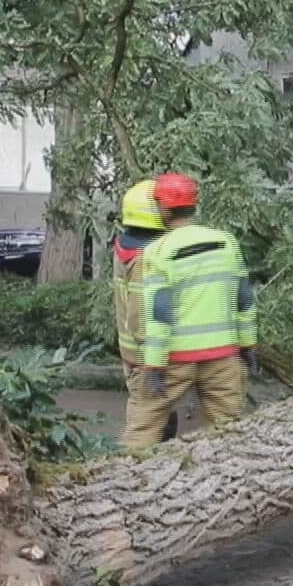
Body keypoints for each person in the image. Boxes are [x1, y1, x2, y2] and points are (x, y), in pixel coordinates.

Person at [125, 173, 258, 449]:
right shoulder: (227, 242)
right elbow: (244, 298)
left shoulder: (158, 251)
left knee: (143, 430)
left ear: (162, 208)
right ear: (194, 205)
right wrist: (248, 345)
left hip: (175, 359)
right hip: (224, 356)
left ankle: (133, 486)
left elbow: (160, 313)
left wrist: (155, 363)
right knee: (228, 435)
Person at [112, 179, 179, 445]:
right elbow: (141, 316)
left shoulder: (126, 246)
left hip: (135, 353)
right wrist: (155, 358)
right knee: (147, 427)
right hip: (145, 357)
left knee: (158, 418)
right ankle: (130, 477)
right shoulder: (145, 257)